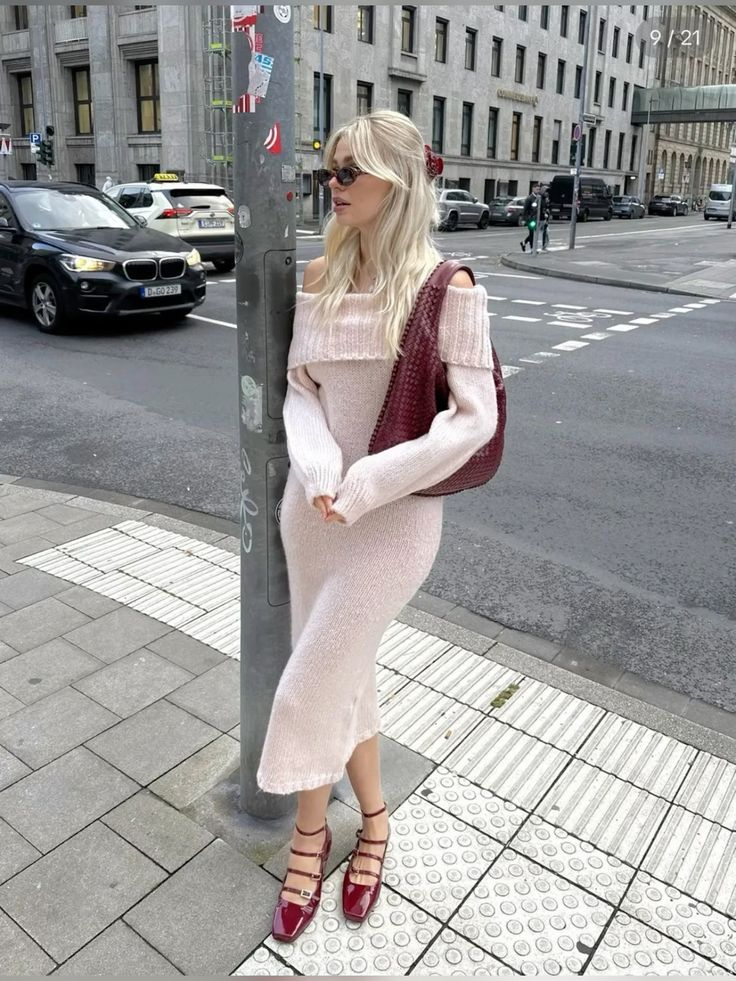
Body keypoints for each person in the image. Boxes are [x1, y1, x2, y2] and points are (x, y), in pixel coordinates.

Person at [257, 109, 499, 943]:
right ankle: (378, 819)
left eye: (350, 172)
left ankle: (307, 835)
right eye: (330, 170)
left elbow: (471, 421)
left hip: (393, 523)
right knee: (346, 674)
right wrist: (322, 471)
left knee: (310, 680)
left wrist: (367, 482)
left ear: (397, 183)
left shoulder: (449, 288)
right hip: (314, 513)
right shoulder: (321, 274)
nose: (334, 184)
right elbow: (300, 388)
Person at [520, 182, 541, 251]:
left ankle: (524, 242)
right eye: (537, 189)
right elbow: (525, 209)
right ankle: (532, 249)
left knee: (534, 233)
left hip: (537, 218)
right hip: (531, 218)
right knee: (532, 233)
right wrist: (524, 219)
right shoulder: (529, 198)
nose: (538, 191)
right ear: (533, 189)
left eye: (539, 189)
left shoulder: (539, 197)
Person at [539, 184, 551, 251]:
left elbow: (547, 208)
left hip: (544, 219)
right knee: (540, 232)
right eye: (546, 192)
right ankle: (543, 245)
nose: (547, 194)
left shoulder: (545, 200)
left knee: (545, 232)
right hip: (541, 219)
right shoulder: (540, 199)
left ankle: (544, 245)